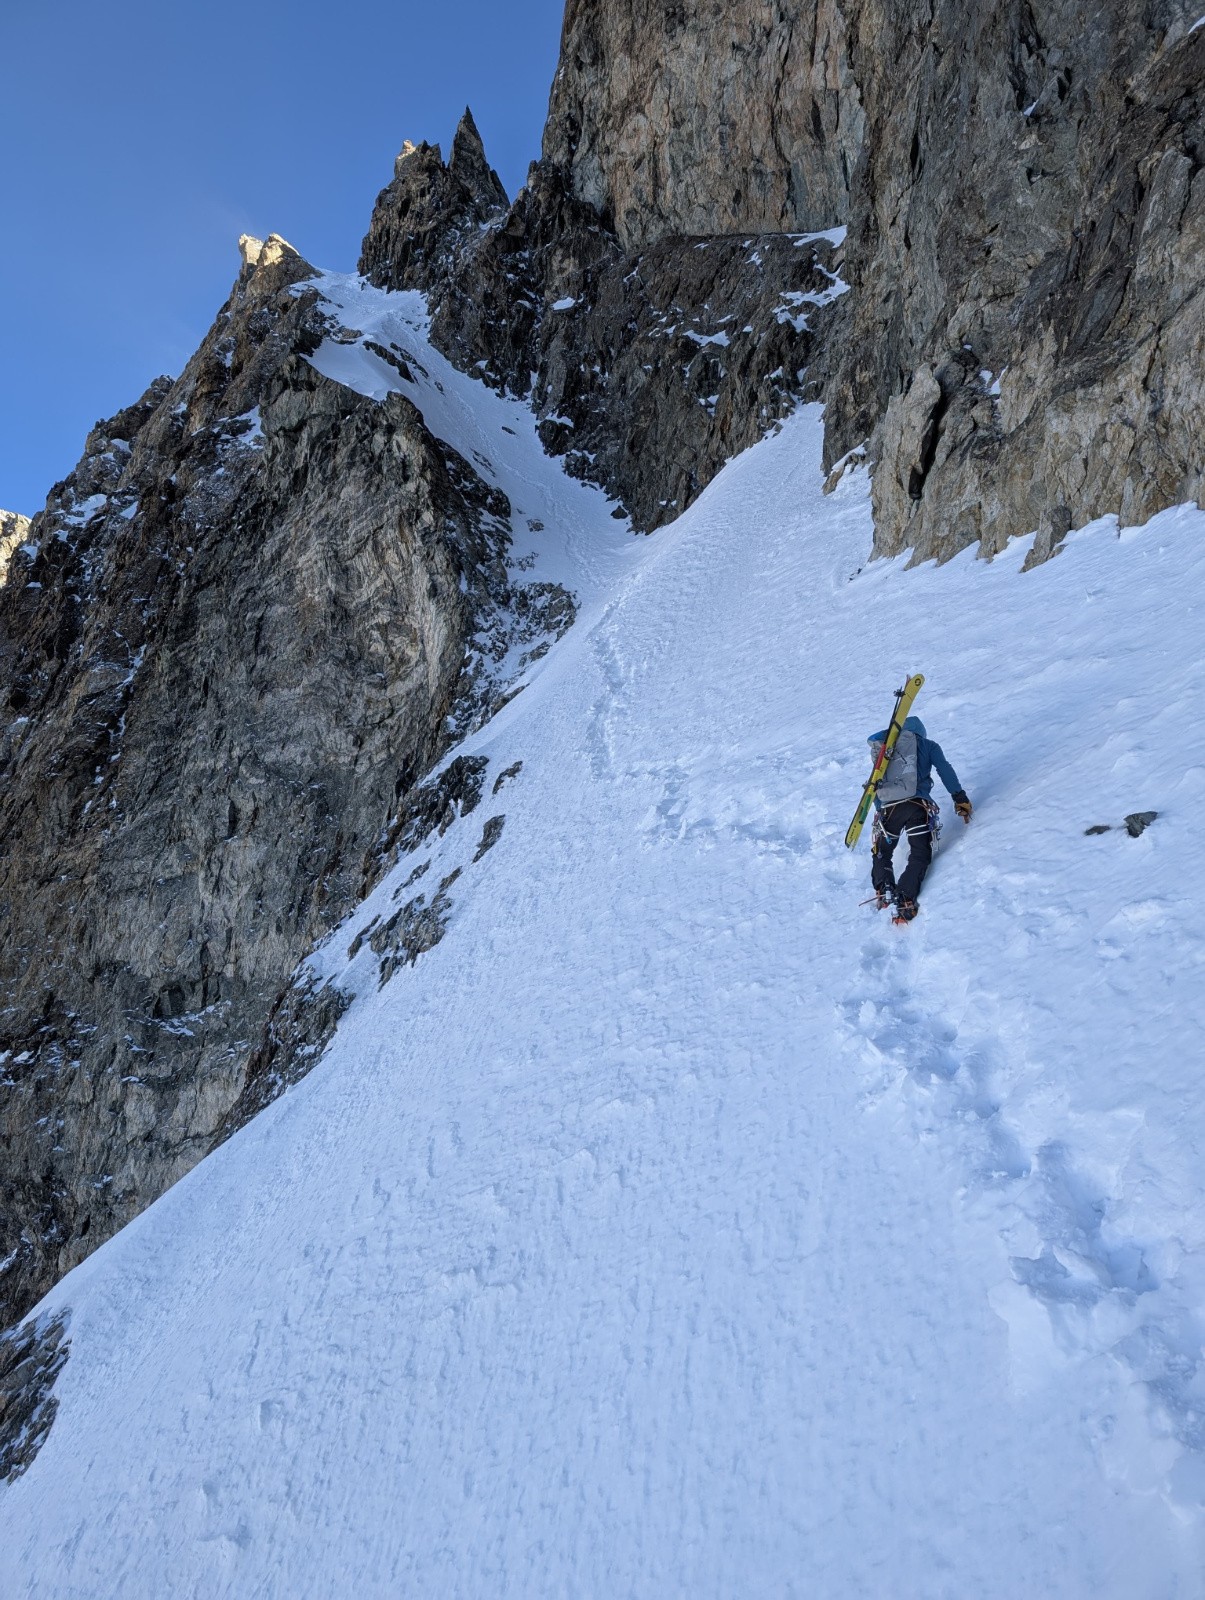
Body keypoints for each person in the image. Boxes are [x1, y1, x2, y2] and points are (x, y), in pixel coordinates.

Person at [866, 716, 971, 924]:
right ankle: (905, 898)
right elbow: (945, 770)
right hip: (917, 807)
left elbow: (876, 783)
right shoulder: (928, 745)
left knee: (883, 851)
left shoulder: (887, 750)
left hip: (890, 810)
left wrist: (880, 810)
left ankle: (884, 886)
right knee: (919, 853)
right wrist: (960, 798)